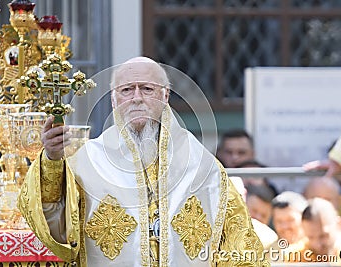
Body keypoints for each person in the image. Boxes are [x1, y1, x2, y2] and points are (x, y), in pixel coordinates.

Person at [18, 57, 268, 266]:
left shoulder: (203, 167)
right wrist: (51, 159)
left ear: (165, 95)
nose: (136, 98)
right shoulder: (86, 162)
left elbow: (238, 242)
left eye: (147, 89)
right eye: (126, 90)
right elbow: (55, 221)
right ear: (114, 99)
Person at [301, 198, 341, 262]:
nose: (317, 245)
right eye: (310, 237)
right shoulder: (296, 257)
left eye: (323, 236)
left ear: (339, 224)